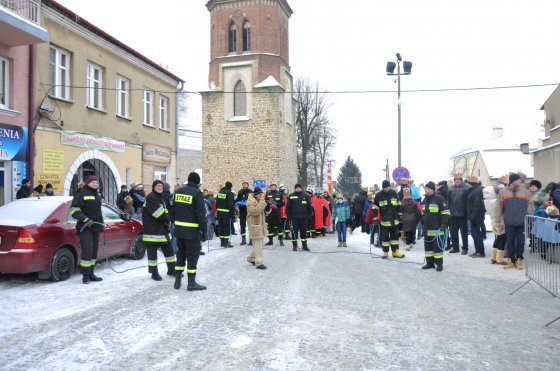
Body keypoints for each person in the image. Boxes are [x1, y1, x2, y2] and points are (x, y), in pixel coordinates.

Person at [170, 172, 208, 290]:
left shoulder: (178, 192)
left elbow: (172, 211)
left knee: (180, 255)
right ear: (197, 182)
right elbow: (201, 214)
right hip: (191, 232)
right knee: (192, 256)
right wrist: (204, 230)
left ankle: (177, 281)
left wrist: (176, 223)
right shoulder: (197, 193)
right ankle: (191, 283)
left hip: (179, 231)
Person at [69, 176, 104, 284]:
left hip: (95, 227)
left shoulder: (97, 195)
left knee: (94, 252)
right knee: (87, 252)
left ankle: (91, 273)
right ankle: (85, 276)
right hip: (85, 228)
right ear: (88, 183)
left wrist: (101, 224)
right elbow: (74, 211)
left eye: (96, 182)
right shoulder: (80, 194)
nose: (95, 184)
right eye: (93, 182)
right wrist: (85, 220)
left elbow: (99, 212)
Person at [142, 180, 176, 281]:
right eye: (158, 186)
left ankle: (172, 270)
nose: (160, 187)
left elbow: (165, 211)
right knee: (152, 255)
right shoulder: (151, 197)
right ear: (153, 187)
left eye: (161, 186)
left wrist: (168, 219)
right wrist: (169, 219)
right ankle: (154, 273)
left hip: (162, 230)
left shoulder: (160, 197)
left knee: (169, 251)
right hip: (152, 231)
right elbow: (158, 213)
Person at [497, 173, 530, 270]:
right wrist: (498, 220)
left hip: (521, 221)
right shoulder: (503, 192)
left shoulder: (525, 192)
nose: (520, 181)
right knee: (510, 241)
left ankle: (519, 259)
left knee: (520, 241)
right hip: (509, 221)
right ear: (513, 181)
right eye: (518, 179)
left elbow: (529, 206)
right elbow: (499, 207)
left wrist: (527, 216)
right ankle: (511, 259)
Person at [421, 181, 450, 271]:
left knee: (437, 248)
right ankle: (430, 263)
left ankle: (439, 264)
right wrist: (422, 223)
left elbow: (446, 213)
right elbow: (423, 213)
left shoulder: (439, 199)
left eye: (427, 188)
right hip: (427, 228)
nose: (425, 190)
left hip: (437, 228)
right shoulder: (425, 200)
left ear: (432, 189)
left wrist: (443, 225)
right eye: (425, 188)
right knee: (428, 248)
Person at [373, 180, 405, 259]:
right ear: (383, 187)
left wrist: (400, 215)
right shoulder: (378, 196)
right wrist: (375, 218)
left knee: (395, 238)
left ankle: (395, 252)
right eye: (386, 187)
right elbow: (375, 208)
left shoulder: (393, 193)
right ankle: (385, 253)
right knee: (385, 238)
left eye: (388, 187)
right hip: (385, 222)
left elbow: (398, 204)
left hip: (394, 220)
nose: (387, 189)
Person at [246, 187, 271, 269]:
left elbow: (265, 213)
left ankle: (251, 258)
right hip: (255, 227)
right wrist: (263, 204)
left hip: (261, 226)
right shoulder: (250, 202)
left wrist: (267, 209)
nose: (261, 195)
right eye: (260, 194)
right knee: (258, 245)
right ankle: (259, 263)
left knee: (260, 245)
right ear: (256, 195)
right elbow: (255, 211)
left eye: (262, 194)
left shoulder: (260, 201)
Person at [483, 184, 507, 265]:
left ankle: (493, 258)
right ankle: (499, 259)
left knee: (497, 239)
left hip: (493, 222)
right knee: (502, 240)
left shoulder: (487, 201)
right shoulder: (496, 201)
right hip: (501, 222)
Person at [286, 183, 313, 251]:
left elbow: (309, 207)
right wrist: (289, 217)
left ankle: (304, 245)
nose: (298, 189)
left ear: (301, 188)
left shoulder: (305, 196)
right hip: (294, 218)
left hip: (304, 218)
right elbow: (288, 207)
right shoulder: (291, 196)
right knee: (294, 232)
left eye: (299, 188)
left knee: (303, 232)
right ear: (295, 189)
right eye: (297, 188)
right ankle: (294, 246)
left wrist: (308, 216)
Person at [447, 173, 469, 254]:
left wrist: (467, 211)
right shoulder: (450, 189)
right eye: (455, 180)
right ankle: (455, 247)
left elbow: (468, 201)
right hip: (453, 214)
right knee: (453, 232)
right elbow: (448, 201)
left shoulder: (466, 188)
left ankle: (465, 248)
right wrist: (448, 211)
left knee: (464, 232)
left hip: (463, 214)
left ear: (461, 180)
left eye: (458, 180)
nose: (457, 181)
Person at [466, 176, 486, 257]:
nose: (466, 184)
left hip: (476, 217)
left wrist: (472, 217)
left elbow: (477, 206)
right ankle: (478, 251)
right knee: (475, 234)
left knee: (476, 234)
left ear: (470, 183)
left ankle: (480, 252)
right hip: (474, 216)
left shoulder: (477, 191)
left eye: (467, 183)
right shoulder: (474, 190)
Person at [216, 181, 235, 248]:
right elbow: (231, 205)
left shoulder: (220, 192)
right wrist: (233, 214)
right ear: (230, 187)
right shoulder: (230, 193)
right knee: (226, 228)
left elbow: (217, 203)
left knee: (221, 228)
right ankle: (226, 243)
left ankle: (222, 242)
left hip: (219, 213)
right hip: (226, 214)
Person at [236, 181, 252, 245]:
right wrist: (238, 202)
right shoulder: (240, 191)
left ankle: (251, 240)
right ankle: (243, 240)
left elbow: (253, 200)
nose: (244, 185)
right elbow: (237, 199)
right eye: (243, 184)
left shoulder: (250, 191)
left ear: (248, 185)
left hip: (249, 211)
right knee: (242, 226)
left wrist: (247, 202)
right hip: (242, 211)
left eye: (246, 184)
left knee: (250, 226)